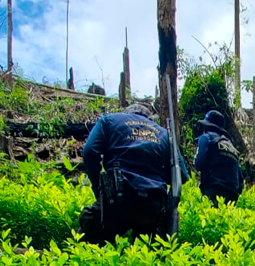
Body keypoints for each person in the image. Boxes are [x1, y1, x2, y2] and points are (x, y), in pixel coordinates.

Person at [80, 102, 188, 244]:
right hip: (153, 207)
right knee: (147, 256)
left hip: (117, 199)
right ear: (149, 118)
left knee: (89, 230)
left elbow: (89, 152)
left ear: (127, 113)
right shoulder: (164, 134)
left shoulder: (110, 120)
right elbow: (182, 175)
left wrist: (98, 187)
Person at [193, 110, 244, 207]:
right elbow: (240, 180)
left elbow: (198, 163)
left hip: (214, 191)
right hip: (232, 195)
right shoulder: (230, 145)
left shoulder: (206, 138)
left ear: (207, 126)